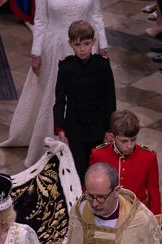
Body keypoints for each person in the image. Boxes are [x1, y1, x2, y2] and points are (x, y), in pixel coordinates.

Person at [0, 0, 107, 167]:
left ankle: (82, 147)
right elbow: (40, 20)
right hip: (55, 48)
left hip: (87, 48)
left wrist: (102, 46)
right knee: (54, 97)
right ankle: (51, 145)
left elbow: (96, 15)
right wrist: (36, 52)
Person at [53, 19, 116, 180]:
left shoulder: (102, 65)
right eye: (77, 45)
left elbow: (110, 98)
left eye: (86, 44)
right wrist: (60, 127)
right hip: (76, 130)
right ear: (70, 44)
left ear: (93, 42)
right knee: (79, 171)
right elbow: (60, 100)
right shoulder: (66, 67)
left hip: (98, 128)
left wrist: (110, 129)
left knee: (98, 171)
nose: (82, 49)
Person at [89, 110, 161, 219]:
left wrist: (156, 221)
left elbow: (154, 194)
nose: (130, 146)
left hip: (137, 216)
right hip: (106, 215)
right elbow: (89, 188)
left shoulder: (148, 157)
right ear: (113, 137)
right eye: (124, 141)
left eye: (133, 140)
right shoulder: (99, 155)